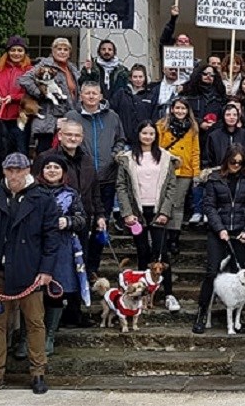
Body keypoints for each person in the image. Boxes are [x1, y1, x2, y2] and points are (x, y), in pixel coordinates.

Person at [0, 153, 60, 397]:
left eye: (18, 170)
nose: (14, 175)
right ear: (4, 171)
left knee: (34, 323)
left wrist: (46, 270)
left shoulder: (42, 198)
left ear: (27, 170)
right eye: (9, 170)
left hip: (30, 272)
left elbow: (51, 238)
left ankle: (38, 372)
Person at [115, 121, 181, 310]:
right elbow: (121, 187)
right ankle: (141, 295)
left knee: (162, 254)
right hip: (137, 212)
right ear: (138, 134)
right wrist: (127, 213)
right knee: (142, 253)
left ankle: (168, 294)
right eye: (144, 133)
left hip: (158, 210)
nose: (148, 137)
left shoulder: (165, 157)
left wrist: (165, 211)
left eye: (151, 133)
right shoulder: (127, 158)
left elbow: (171, 186)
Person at [192, 145, 245, 334]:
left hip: (240, 231)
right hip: (218, 231)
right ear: (226, 161)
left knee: (239, 273)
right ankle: (202, 313)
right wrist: (219, 228)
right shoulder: (215, 179)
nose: (236, 165)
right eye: (232, 162)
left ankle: (238, 317)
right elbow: (209, 206)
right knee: (212, 272)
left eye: (239, 162)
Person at [38, 121, 105, 293]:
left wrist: (100, 215)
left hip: (82, 220)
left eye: (77, 135)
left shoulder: (88, 159)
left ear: (81, 138)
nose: (72, 138)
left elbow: (95, 190)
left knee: (80, 264)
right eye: (69, 135)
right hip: (52, 224)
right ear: (60, 135)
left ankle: (75, 313)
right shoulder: (46, 157)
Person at [31, 154, 87, 356]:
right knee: (33, 290)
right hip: (35, 246)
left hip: (62, 247)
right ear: (41, 171)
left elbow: (82, 219)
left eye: (56, 167)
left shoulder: (71, 194)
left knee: (56, 289)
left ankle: (49, 336)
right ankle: (27, 337)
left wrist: (68, 222)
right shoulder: (33, 192)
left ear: (63, 172)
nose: (52, 170)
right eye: (48, 167)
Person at [65, 81, 128, 228]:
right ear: (81, 96)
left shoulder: (112, 116)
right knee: (82, 218)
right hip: (81, 177)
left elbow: (121, 139)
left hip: (107, 177)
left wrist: (113, 155)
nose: (91, 96)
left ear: (100, 96)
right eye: (87, 93)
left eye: (94, 93)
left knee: (102, 220)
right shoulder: (71, 116)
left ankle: (97, 248)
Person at [155, 97, 199, 282]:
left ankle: (174, 236)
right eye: (177, 108)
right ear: (172, 109)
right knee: (165, 202)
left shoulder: (193, 128)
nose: (180, 111)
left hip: (186, 170)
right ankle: (163, 234)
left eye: (183, 108)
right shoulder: (162, 125)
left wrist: (196, 172)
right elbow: (156, 146)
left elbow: (195, 150)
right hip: (167, 168)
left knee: (178, 204)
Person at [19, 37, 81, 155]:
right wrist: (41, 94)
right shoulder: (44, 64)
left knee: (66, 155)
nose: (62, 52)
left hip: (68, 115)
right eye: (59, 49)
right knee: (45, 154)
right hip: (48, 118)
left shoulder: (72, 68)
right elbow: (24, 79)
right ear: (53, 51)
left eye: (65, 49)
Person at [0, 35, 32, 157]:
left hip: (20, 117)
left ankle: (21, 176)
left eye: (20, 50)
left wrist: (14, 97)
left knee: (21, 150)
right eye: (13, 50)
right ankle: (0, 176)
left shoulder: (30, 70)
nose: (16, 53)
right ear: (8, 52)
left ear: (25, 53)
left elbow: (32, 93)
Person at [202, 103, 245, 169]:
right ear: (223, 116)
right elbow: (207, 159)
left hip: (240, 173)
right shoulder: (213, 136)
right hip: (218, 174)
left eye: (234, 115)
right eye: (228, 115)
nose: (231, 117)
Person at [110, 64, 156, 135]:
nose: (138, 79)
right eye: (135, 77)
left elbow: (154, 116)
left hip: (144, 137)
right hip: (124, 137)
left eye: (140, 77)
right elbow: (112, 112)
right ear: (130, 78)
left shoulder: (150, 94)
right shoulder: (121, 93)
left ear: (145, 78)